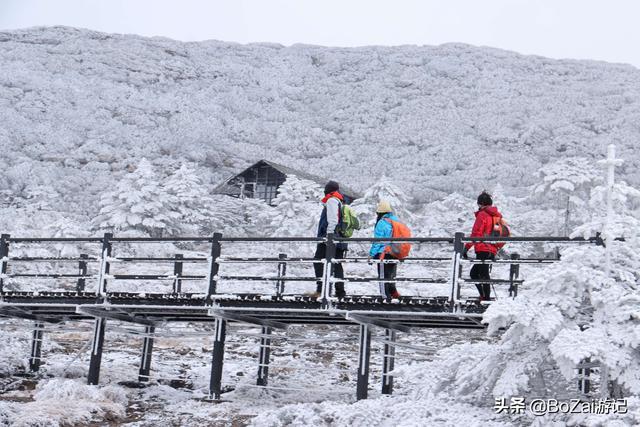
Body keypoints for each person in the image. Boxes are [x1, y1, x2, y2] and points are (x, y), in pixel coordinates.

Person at [462, 191, 502, 301]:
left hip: (483, 249)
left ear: (481, 203)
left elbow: (476, 234)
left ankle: (485, 298)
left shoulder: (482, 215)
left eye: (478, 204)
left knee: (478, 274)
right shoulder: (496, 216)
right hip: (492, 249)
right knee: (480, 274)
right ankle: (485, 297)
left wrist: (466, 248)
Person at [310, 180, 347, 299]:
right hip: (338, 239)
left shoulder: (332, 200)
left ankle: (321, 290)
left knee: (319, 261)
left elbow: (333, 220)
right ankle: (340, 292)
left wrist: (328, 236)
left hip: (329, 239)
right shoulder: (339, 200)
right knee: (336, 265)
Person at [368, 200, 402, 300]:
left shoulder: (381, 223)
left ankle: (385, 298)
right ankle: (393, 293)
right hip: (395, 252)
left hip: (384, 253)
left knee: (383, 276)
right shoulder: (396, 220)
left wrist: (371, 254)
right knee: (391, 275)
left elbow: (377, 241)